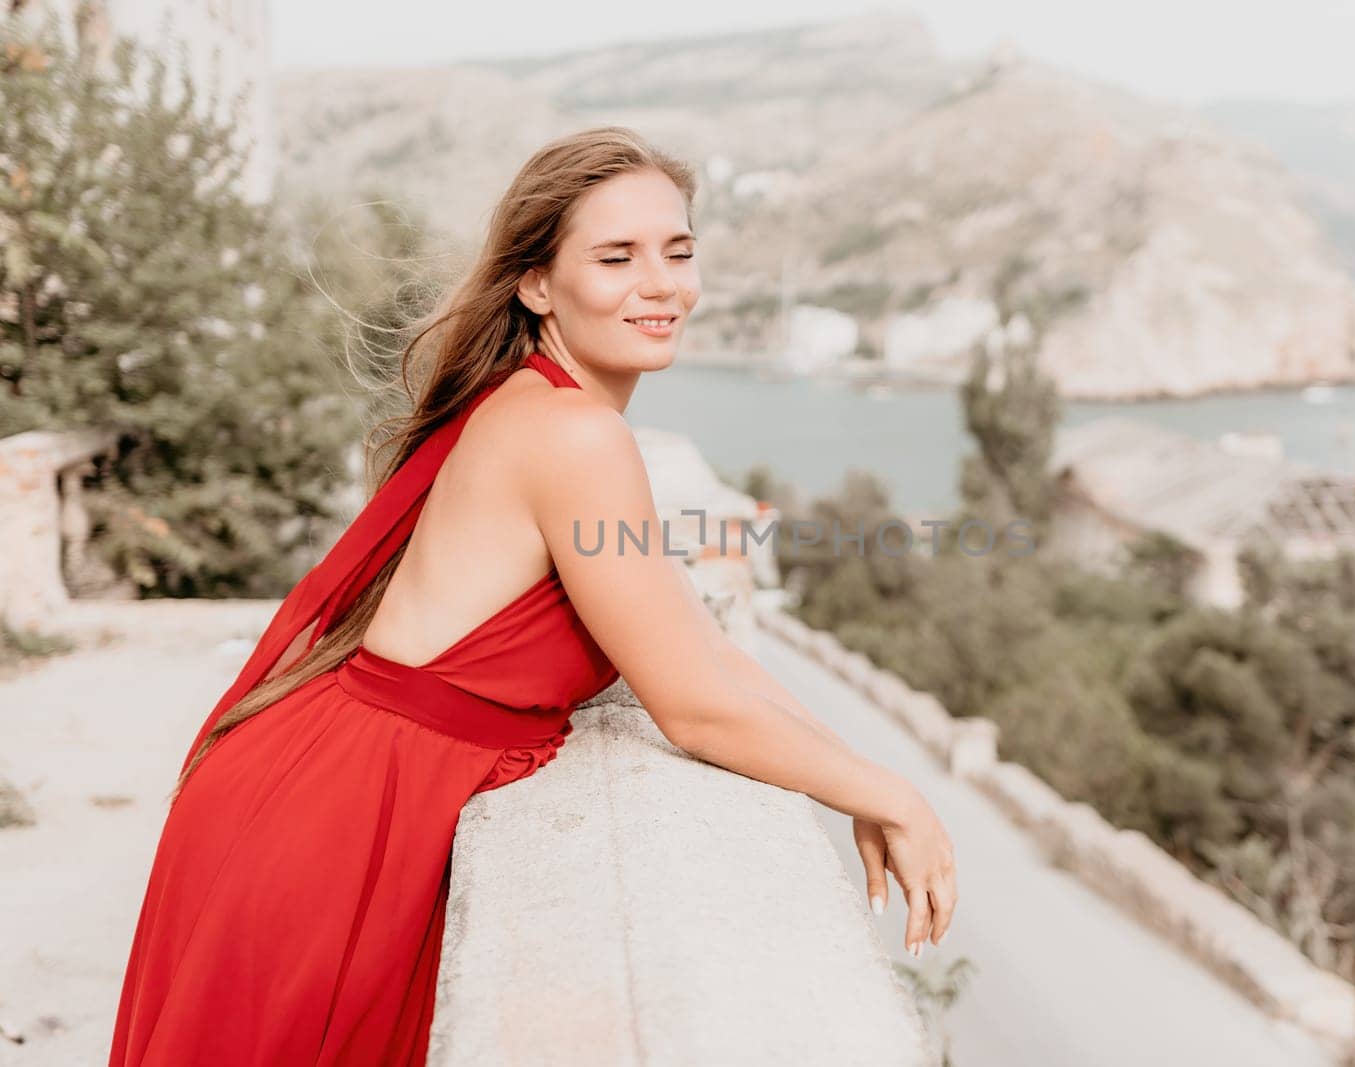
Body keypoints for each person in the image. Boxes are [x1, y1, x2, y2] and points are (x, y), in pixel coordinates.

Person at [108, 125, 956, 1066]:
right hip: (343, 817)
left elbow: (701, 650)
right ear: (538, 283)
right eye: (616, 256)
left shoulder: (541, 404)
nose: (662, 284)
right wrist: (893, 797)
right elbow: (693, 708)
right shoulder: (573, 434)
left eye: (678, 251)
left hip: (340, 784)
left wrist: (858, 773)